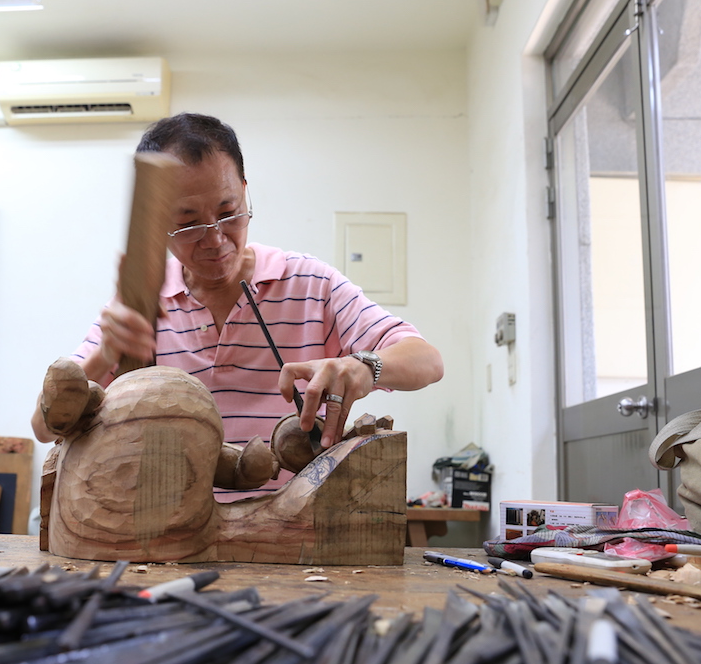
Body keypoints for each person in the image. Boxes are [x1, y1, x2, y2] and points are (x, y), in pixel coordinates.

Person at [32, 113, 443, 497]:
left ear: (245, 192)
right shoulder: (139, 303)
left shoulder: (311, 284)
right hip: (171, 534)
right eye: (189, 223)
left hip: (288, 537)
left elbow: (426, 361)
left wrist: (364, 366)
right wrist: (106, 355)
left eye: (229, 213)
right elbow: (43, 427)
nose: (215, 239)